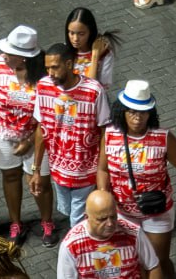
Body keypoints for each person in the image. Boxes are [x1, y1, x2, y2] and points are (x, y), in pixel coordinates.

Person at [97, 81, 176, 278]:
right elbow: (102, 169)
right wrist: (103, 194)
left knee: (159, 260)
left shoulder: (163, 138)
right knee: (133, 260)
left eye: (143, 112)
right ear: (122, 111)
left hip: (157, 212)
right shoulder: (109, 135)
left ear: (150, 113)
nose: (137, 117)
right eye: (132, 112)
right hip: (122, 212)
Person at [32, 42, 112, 230]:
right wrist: (36, 169)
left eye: (54, 67)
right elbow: (41, 128)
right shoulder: (43, 87)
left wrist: (101, 170)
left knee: (77, 222)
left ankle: (78, 245)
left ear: (69, 64)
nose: (50, 73)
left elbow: (105, 131)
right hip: (58, 171)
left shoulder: (93, 91)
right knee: (67, 211)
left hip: (86, 173)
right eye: (47, 68)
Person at [0, 25, 50, 246]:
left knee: (39, 181)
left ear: (23, 58)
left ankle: (47, 222)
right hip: (4, 133)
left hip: (36, 137)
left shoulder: (44, 76)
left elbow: (46, 115)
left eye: (9, 53)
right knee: (10, 176)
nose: (4, 56)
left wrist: (29, 141)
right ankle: (16, 223)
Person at [56, 190, 162, 279]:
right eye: (102, 219)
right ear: (87, 217)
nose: (110, 224)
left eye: (113, 217)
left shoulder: (133, 232)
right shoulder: (71, 245)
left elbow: (153, 267)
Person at [66, 7, 120, 92]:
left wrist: (95, 56)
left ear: (90, 32)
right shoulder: (64, 51)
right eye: (71, 33)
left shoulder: (105, 54)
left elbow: (93, 89)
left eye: (81, 34)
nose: (75, 39)